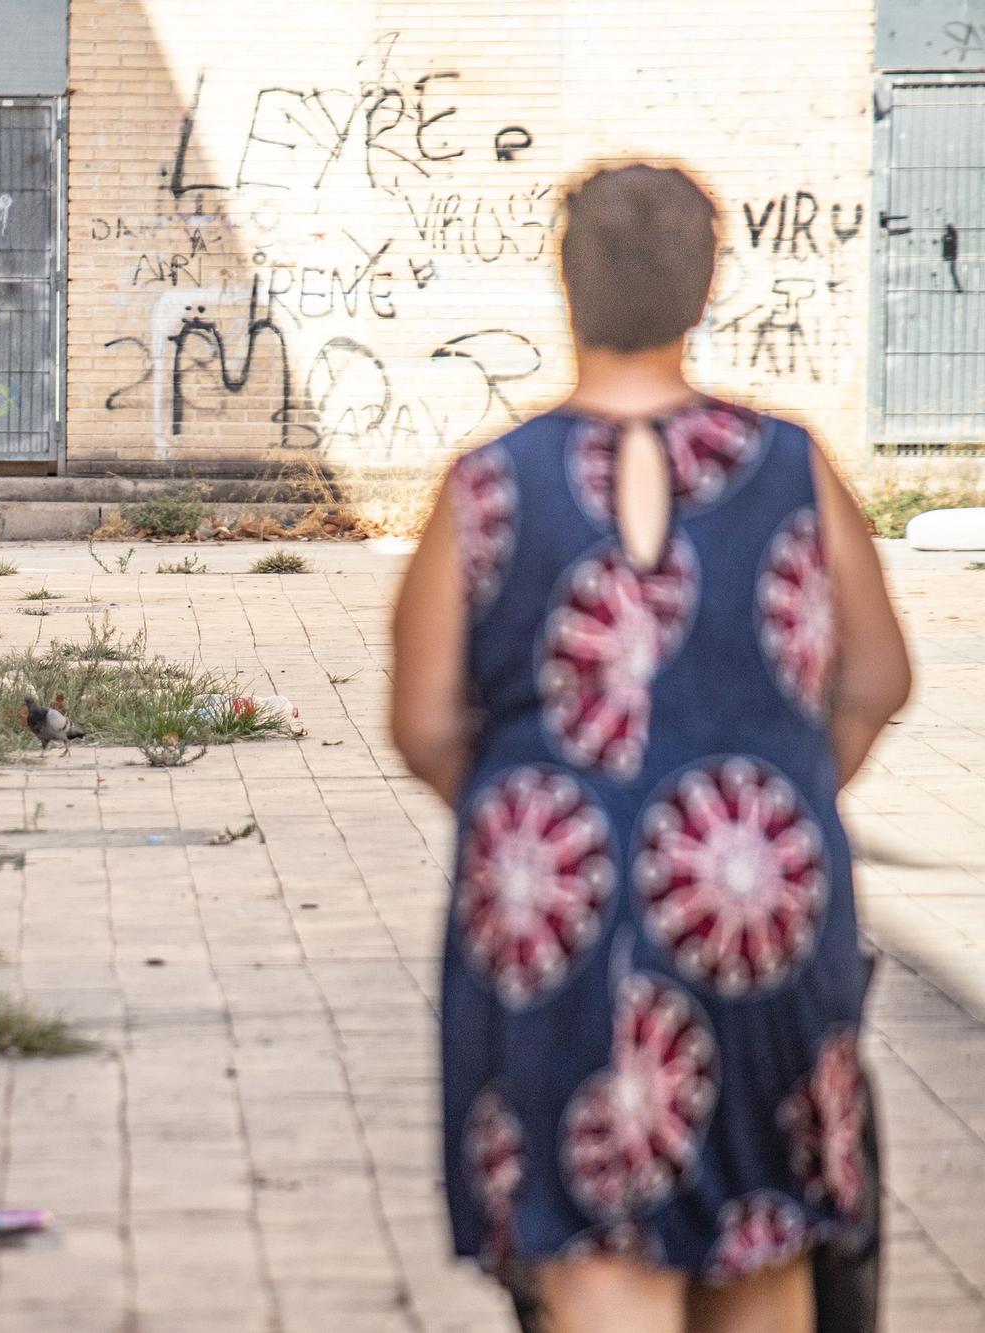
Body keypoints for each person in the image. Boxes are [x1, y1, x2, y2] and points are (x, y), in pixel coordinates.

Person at [388, 164, 913, 1333]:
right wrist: (771, 789)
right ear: (703, 286)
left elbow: (423, 722)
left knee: (597, 1255)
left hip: (551, 920)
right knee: (757, 1239)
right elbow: (876, 678)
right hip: (757, 906)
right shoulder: (791, 467)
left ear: (563, 287)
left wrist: (541, 811)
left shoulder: (487, 487)